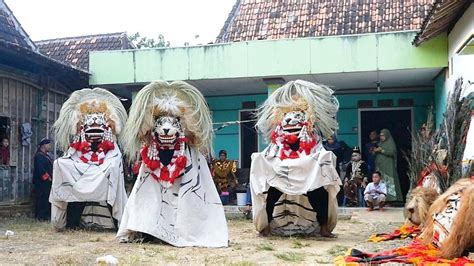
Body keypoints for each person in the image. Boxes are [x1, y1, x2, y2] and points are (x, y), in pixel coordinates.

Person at [374, 129, 403, 202]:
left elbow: (392, 152)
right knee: (381, 182)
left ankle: (391, 199)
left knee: (389, 182)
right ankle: (382, 199)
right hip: (381, 167)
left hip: (388, 167)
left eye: (383, 135)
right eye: (380, 135)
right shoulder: (380, 143)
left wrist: (382, 150)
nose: (381, 137)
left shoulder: (390, 143)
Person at [33, 138, 53, 221]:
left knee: (46, 199)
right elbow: (40, 169)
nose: (50, 146)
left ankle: (45, 216)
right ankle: (40, 217)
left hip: (46, 182)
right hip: (41, 182)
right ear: (43, 145)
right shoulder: (39, 156)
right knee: (41, 198)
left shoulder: (46, 156)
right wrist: (47, 177)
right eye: (48, 144)